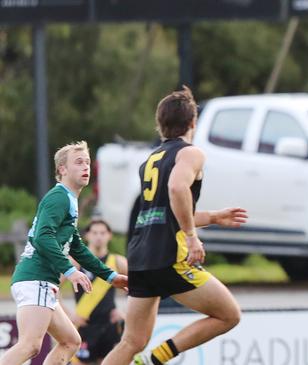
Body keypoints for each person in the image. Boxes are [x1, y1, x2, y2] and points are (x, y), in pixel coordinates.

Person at [102, 86, 248, 365]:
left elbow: (169, 211)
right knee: (229, 315)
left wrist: (214, 217)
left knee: (131, 341)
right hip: (170, 256)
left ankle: (149, 358)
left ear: (160, 125)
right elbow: (177, 188)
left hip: (141, 256)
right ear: (193, 123)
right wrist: (192, 237)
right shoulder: (191, 154)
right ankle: (158, 358)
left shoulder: (150, 160)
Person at [0, 141, 128, 365]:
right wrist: (69, 271)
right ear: (62, 169)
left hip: (41, 281)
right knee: (30, 345)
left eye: (88, 162)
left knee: (71, 341)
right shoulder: (59, 197)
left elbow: (77, 247)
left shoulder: (70, 200)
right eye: (78, 162)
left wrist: (110, 276)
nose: (85, 167)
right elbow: (42, 237)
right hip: (35, 278)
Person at [63, 219, 128, 365]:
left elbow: (139, 288)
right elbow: (52, 289)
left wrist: (124, 311)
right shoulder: (75, 262)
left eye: (102, 233)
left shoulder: (117, 261)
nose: (99, 236)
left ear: (109, 235)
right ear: (87, 235)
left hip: (109, 325)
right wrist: (69, 316)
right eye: (95, 232)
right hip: (84, 325)